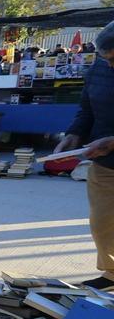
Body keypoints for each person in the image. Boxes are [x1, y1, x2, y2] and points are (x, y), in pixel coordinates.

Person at [56, 21, 114, 290]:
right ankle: (112, 273)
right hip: (106, 163)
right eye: (106, 59)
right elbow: (87, 108)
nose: (110, 65)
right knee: (102, 221)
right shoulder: (99, 69)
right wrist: (75, 133)